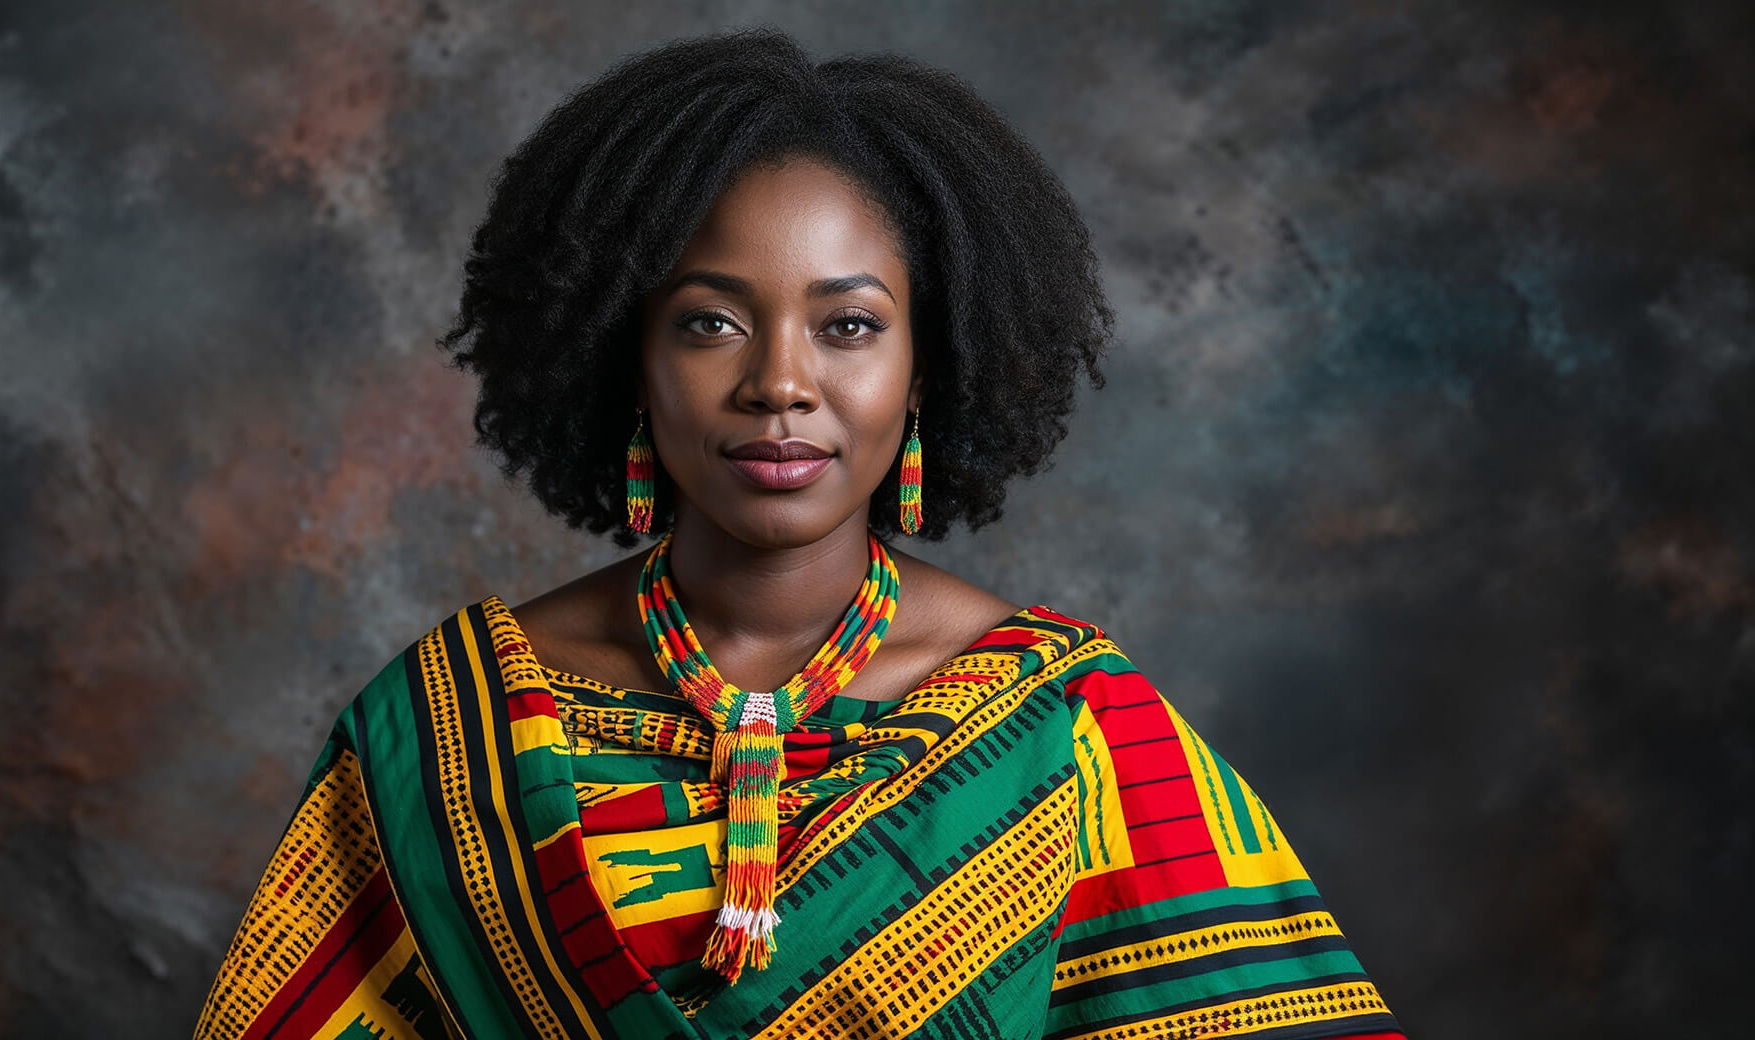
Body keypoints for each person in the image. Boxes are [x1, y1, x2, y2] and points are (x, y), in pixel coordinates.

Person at [193, 28, 1404, 1040]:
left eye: (850, 325)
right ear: (625, 358)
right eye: (710, 323)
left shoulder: (1067, 729)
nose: (779, 381)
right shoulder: (441, 734)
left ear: (930, 365)